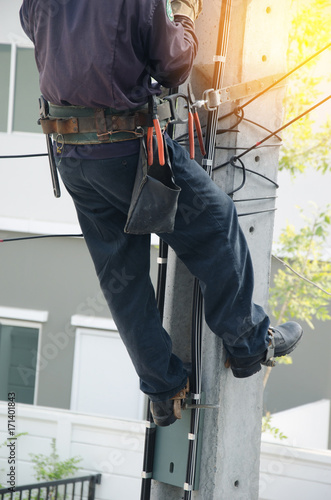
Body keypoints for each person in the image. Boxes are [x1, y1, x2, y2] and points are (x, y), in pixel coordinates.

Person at [20, 0, 302, 427]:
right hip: (126, 147)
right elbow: (174, 65)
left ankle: (162, 386)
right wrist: (185, 14)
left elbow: (33, 28)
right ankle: (248, 344)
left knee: (122, 277)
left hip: (70, 153)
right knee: (216, 222)